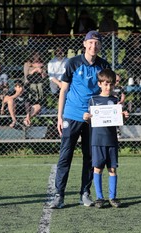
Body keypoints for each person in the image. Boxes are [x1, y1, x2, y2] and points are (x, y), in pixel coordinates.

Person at [49, 31, 110, 209]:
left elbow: (106, 92)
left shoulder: (104, 65)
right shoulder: (73, 62)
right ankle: (59, 195)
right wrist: (59, 116)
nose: (93, 46)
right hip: (72, 115)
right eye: (90, 42)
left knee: (90, 157)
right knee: (65, 156)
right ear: (84, 44)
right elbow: (63, 90)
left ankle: (85, 193)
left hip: (93, 118)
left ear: (100, 45)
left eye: (97, 43)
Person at [83, 69, 128, 208]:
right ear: (100, 84)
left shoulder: (115, 100)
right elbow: (90, 120)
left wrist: (124, 116)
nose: (108, 87)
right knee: (97, 168)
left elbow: (117, 120)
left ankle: (113, 197)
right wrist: (86, 118)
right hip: (97, 140)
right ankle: (99, 198)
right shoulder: (93, 100)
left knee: (112, 169)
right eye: (106, 84)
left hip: (112, 140)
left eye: (111, 85)